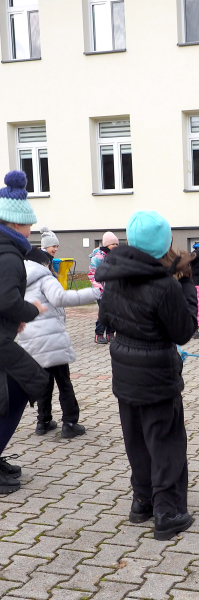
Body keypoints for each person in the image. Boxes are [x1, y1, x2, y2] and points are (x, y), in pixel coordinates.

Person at [96, 211, 198, 541]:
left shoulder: (114, 275)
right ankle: (167, 512)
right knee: (165, 440)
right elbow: (183, 331)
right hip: (156, 371)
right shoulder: (166, 285)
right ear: (164, 244)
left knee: (136, 438)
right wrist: (186, 285)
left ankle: (142, 501)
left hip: (124, 367)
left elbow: (106, 318)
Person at [0, 170, 49, 494]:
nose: (31, 231)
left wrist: (12, 319)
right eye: (29, 225)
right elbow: (6, 299)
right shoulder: (8, 255)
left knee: (11, 392)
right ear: (16, 224)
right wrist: (31, 309)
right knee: (28, 384)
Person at [19, 248, 99, 438]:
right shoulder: (45, 278)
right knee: (63, 382)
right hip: (51, 339)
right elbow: (60, 298)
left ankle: (43, 422)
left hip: (30, 340)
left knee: (44, 382)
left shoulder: (19, 280)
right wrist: (95, 293)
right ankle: (70, 423)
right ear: (44, 264)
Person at [88, 232, 119, 344]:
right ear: (106, 244)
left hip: (113, 290)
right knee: (104, 312)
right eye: (113, 244)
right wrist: (99, 288)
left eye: (117, 244)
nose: (115, 246)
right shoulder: (98, 257)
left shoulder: (115, 256)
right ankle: (99, 334)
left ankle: (111, 333)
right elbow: (92, 274)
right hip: (101, 290)